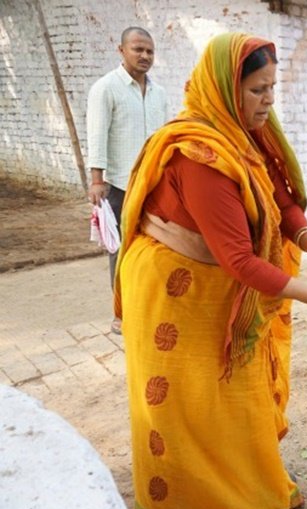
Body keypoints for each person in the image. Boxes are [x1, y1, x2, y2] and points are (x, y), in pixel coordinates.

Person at [113, 32, 307, 509]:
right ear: (227, 90)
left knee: (232, 394)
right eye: (257, 90)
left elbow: (281, 201)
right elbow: (241, 261)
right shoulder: (200, 156)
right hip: (173, 288)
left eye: (272, 87)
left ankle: (243, 490)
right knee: (186, 403)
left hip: (218, 279)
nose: (268, 100)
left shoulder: (249, 133)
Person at [86, 26, 169, 335]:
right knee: (121, 250)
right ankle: (122, 313)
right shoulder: (106, 88)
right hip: (120, 185)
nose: (144, 55)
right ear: (121, 50)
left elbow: (164, 138)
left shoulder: (159, 93)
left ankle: (151, 305)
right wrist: (97, 181)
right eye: (138, 49)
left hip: (155, 184)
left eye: (149, 51)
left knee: (156, 246)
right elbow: (97, 134)